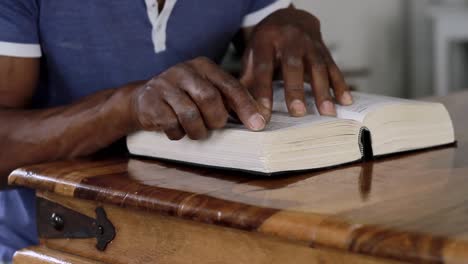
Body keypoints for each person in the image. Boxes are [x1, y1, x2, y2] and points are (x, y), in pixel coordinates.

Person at [0, 0, 353, 261]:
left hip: (187, 236)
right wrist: (126, 107)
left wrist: (287, 22)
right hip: (46, 244)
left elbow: (269, 37)